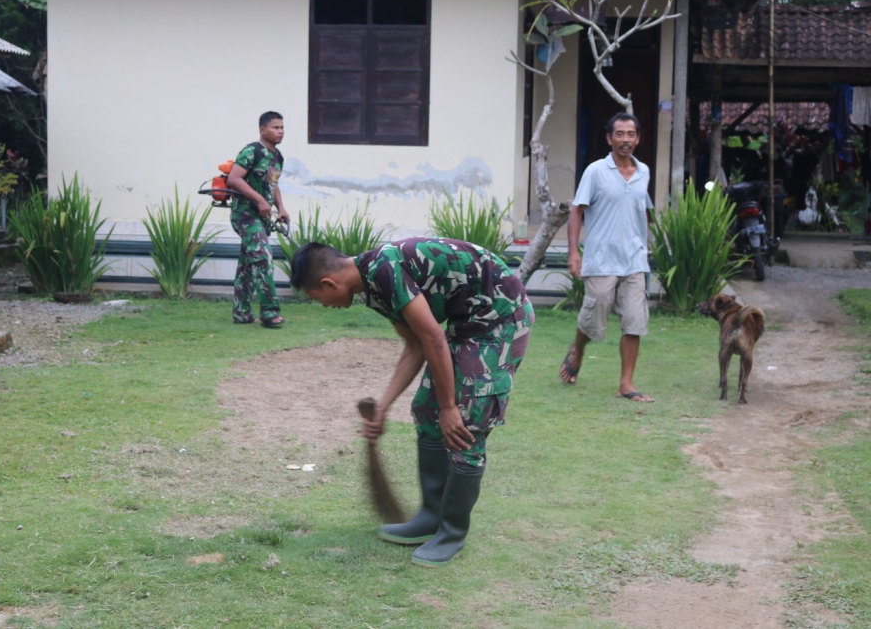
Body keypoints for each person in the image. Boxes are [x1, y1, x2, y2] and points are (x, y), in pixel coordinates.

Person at [290, 238, 533, 566]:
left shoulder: (385, 269)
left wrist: (450, 407)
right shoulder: (373, 287)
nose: (323, 305)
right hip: (466, 323)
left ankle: (452, 532)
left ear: (328, 283)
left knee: (467, 418)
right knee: (425, 408)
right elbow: (416, 346)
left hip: (501, 316)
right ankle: (431, 517)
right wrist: (383, 407)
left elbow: (433, 337)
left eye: (317, 298)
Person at [558, 112, 654, 402]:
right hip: (601, 257)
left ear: (638, 138)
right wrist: (573, 252)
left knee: (635, 320)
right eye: (620, 134)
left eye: (631, 134)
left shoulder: (644, 172)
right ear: (609, 138)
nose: (626, 140)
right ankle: (578, 348)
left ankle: (626, 383)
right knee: (595, 310)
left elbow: (641, 209)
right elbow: (577, 210)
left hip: (634, 259)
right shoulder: (596, 171)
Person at [226, 111, 289, 327]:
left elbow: (274, 183)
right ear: (263, 130)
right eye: (275, 127)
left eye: (282, 127)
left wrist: (280, 207)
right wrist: (260, 199)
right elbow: (234, 178)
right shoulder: (252, 150)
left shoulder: (277, 156)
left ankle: (241, 313)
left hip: (261, 217)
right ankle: (270, 313)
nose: (280, 131)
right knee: (263, 257)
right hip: (244, 214)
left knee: (247, 263)